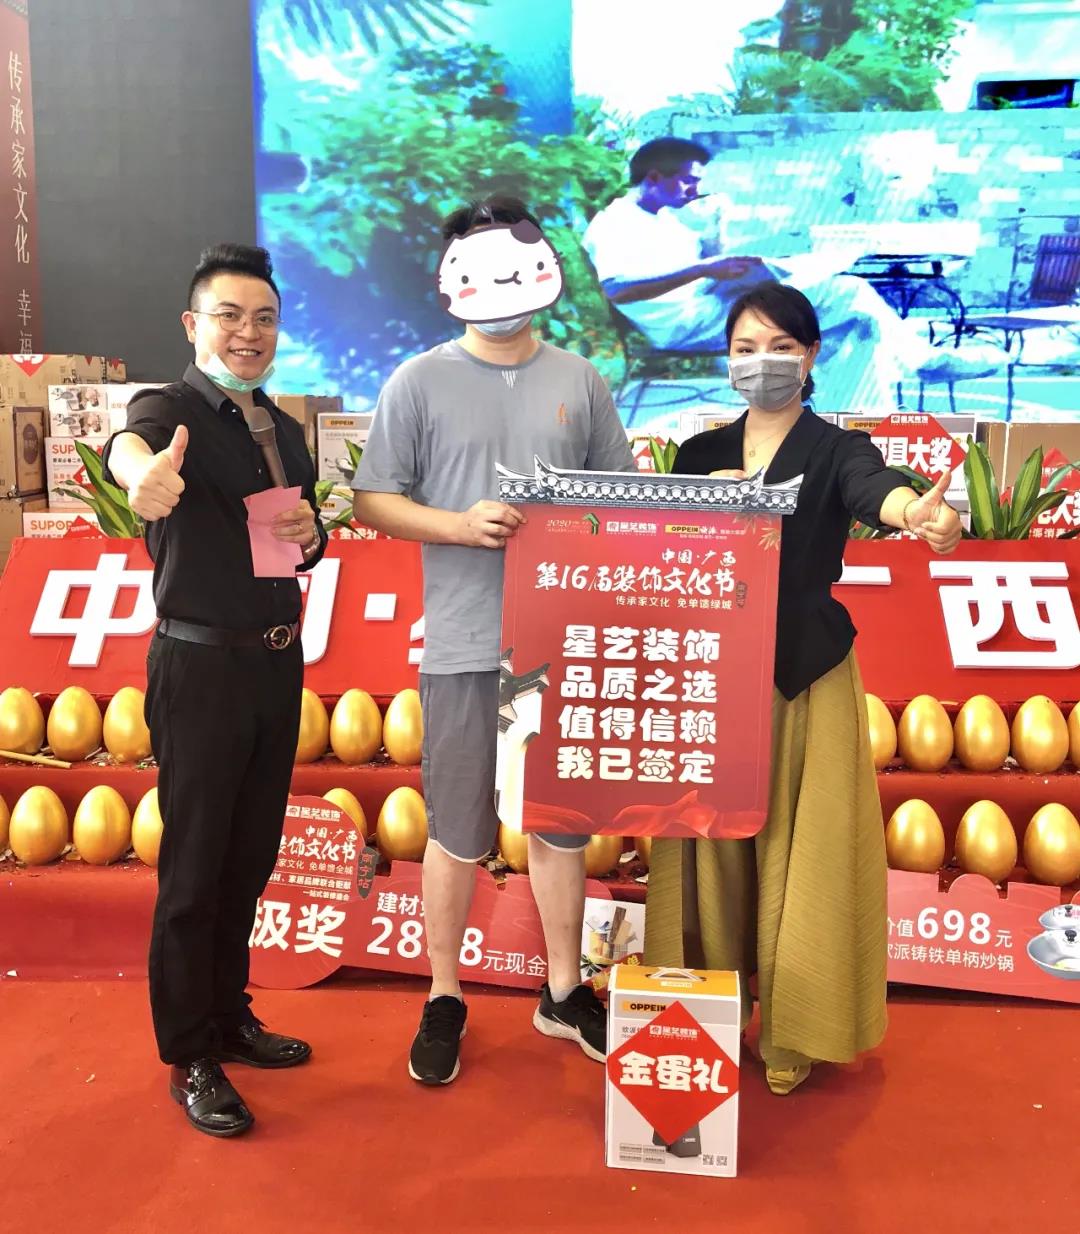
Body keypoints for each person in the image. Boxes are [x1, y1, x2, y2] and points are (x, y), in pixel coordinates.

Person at [643, 283, 962, 1096]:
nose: (763, 364)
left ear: (812, 355)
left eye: (780, 348)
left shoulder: (835, 449)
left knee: (804, 851)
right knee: (708, 853)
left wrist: (917, 514)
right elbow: (662, 554)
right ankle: (712, 1010)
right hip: (709, 677)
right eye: (745, 350)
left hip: (802, 676)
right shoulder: (699, 454)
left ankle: (796, 1029)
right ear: (727, 360)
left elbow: (877, 489)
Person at [352, 195, 637, 1086]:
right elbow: (372, 499)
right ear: (453, 280)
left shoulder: (581, 380)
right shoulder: (417, 381)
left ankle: (563, 990)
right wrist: (456, 524)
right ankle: (444, 995)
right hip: (465, 643)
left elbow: (624, 498)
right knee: (457, 827)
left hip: (562, 643)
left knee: (560, 827)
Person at [103, 244, 326, 1137]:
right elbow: (128, 447)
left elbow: (294, 542)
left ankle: (230, 1016)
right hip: (199, 668)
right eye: (229, 316)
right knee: (195, 869)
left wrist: (309, 534)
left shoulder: (281, 428)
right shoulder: (172, 409)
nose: (248, 333)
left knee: (250, 856)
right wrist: (141, 476)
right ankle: (189, 1053)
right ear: (194, 324)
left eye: (264, 319)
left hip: (275, 663)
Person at [582, 137, 965, 414]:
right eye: (689, 180)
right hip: (685, 323)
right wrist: (704, 269)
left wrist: (717, 238)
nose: (695, 190)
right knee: (848, 291)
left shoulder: (665, 217)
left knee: (857, 327)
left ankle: (860, 423)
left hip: (712, 304)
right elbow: (617, 290)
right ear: (653, 177)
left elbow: (706, 268)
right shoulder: (615, 223)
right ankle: (924, 362)